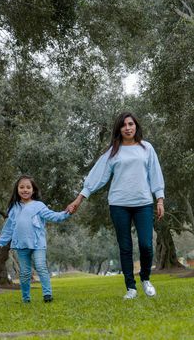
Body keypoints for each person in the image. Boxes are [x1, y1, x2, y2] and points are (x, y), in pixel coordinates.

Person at [67, 112, 165, 299]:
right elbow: (98, 176)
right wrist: (79, 198)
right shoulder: (113, 151)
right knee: (125, 246)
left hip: (143, 203)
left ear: (136, 126)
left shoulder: (146, 148)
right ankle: (131, 288)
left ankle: (145, 278)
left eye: (131, 124)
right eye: (124, 125)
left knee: (146, 245)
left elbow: (155, 174)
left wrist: (159, 199)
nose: (128, 128)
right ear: (119, 129)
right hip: (119, 204)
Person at [0, 174, 72, 303]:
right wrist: (0, 241)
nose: (25, 190)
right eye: (22, 187)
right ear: (17, 189)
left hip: (37, 244)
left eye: (28, 187)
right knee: (25, 273)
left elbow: (53, 216)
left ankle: (47, 295)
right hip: (21, 245)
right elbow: (8, 228)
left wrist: (66, 213)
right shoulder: (14, 208)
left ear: (33, 190)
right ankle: (26, 298)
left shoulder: (39, 206)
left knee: (41, 266)